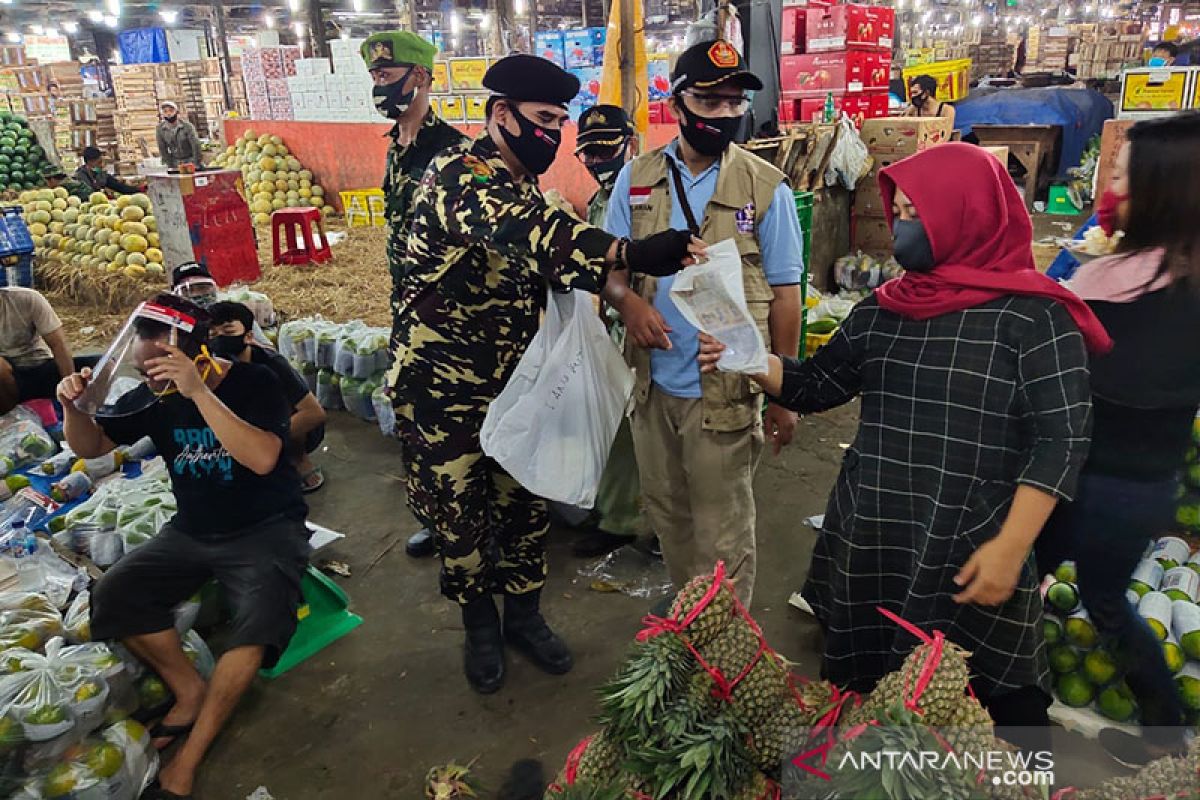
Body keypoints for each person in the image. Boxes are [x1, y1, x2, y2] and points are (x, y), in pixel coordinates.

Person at [699, 142, 1109, 750]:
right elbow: (819, 384)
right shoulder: (886, 309)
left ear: (967, 214)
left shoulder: (1033, 320)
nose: (903, 226)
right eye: (903, 210)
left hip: (972, 534)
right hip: (876, 525)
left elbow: (1062, 438)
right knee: (871, 681)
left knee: (995, 701)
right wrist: (752, 359)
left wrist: (1010, 547)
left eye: (920, 212)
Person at [390, 52, 699, 694]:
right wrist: (627, 252)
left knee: (525, 506)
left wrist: (616, 286)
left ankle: (525, 617)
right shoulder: (459, 176)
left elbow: (543, 250)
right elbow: (534, 233)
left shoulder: (519, 181)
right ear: (500, 114)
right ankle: (480, 627)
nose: (553, 134)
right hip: (443, 394)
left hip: (517, 384)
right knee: (461, 521)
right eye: (542, 118)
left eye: (561, 121)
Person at [56, 294, 309, 800]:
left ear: (196, 353)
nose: (151, 380)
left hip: (267, 527)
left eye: (159, 369)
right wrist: (73, 406)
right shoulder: (154, 396)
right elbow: (89, 448)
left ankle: (188, 758)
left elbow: (262, 458)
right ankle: (189, 688)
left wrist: (197, 392)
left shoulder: (254, 381)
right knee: (115, 593)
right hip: (194, 528)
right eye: (143, 371)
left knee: (256, 624)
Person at [603, 40, 805, 604]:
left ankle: (725, 648)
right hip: (651, 388)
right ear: (677, 104)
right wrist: (630, 305)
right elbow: (610, 268)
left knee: (724, 531)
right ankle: (691, 616)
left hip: (725, 393)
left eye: (733, 103)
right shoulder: (636, 180)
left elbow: (787, 296)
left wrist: (785, 393)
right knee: (669, 515)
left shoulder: (766, 189)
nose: (724, 115)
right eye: (709, 101)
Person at [1036, 113, 1200, 767]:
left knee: (1085, 595)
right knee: (1045, 580)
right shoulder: (1165, 275)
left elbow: (1076, 376)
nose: (1111, 182)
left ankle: (1167, 735)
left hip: (1093, 480)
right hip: (1140, 484)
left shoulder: (1127, 290)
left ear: (1162, 189)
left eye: (1124, 173)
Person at [361, 30, 470, 561]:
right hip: (405, 305)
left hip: (449, 314)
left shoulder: (452, 152)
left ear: (420, 77)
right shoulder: (394, 149)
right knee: (412, 415)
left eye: (386, 75)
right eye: (375, 77)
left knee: (456, 426)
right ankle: (433, 514)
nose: (379, 86)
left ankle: (472, 519)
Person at [570, 104, 646, 557]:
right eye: (590, 155)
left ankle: (625, 522)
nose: (599, 162)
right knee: (612, 425)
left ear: (629, 144)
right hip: (615, 324)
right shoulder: (601, 199)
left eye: (606, 151)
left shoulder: (646, 192)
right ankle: (613, 508)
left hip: (644, 324)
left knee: (628, 432)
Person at [209, 301, 328, 494]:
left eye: (228, 332)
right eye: (213, 335)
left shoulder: (272, 364)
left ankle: (298, 460)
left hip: (276, 426)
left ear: (248, 336)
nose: (220, 339)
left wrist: (266, 441)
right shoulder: (210, 367)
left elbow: (314, 413)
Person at [0, 287, 94, 413]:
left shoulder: (27, 299)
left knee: (105, 365)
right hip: (7, 384)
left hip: (39, 367)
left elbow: (58, 345)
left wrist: (70, 384)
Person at [71, 146, 141, 197]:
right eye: (99, 162)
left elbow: (119, 187)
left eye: (101, 162)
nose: (101, 165)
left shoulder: (100, 174)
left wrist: (139, 190)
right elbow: (87, 195)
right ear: (89, 162)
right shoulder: (79, 177)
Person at [156, 100, 203, 171]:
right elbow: (162, 148)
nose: (168, 113)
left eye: (171, 111)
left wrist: (196, 163)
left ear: (176, 112)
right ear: (162, 115)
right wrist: (170, 165)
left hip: (190, 160)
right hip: (175, 162)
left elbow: (196, 145)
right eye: (165, 111)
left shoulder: (187, 126)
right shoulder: (160, 129)